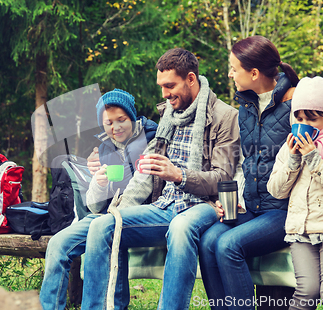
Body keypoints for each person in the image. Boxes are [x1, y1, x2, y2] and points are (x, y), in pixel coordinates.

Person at [198, 36, 323, 310]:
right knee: (209, 240)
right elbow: (246, 160)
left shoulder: (297, 104)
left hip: (283, 209)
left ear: (254, 73)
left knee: (227, 245)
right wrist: (234, 196)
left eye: (233, 68)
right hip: (253, 205)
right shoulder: (246, 107)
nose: (230, 73)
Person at [80, 48, 240, 310]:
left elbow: (223, 177)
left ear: (191, 79)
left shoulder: (225, 117)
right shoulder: (169, 115)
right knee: (103, 227)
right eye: (161, 86)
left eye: (170, 86)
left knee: (180, 227)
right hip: (165, 206)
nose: (164, 94)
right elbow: (144, 175)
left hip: (205, 206)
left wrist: (179, 175)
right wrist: (118, 212)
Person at [39, 89, 158, 310]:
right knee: (58, 244)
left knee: (104, 230)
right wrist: (98, 184)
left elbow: (142, 186)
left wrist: (111, 216)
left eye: (121, 120)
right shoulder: (104, 148)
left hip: (143, 214)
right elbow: (93, 205)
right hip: (105, 215)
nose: (115, 128)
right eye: (108, 123)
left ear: (131, 116)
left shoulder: (151, 139)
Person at [267, 76, 323, 309]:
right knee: (306, 291)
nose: (304, 123)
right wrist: (294, 159)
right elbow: (276, 190)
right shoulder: (287, 150)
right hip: (300, 233)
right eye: (298, 118)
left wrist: (314, 158)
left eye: (312, 118)